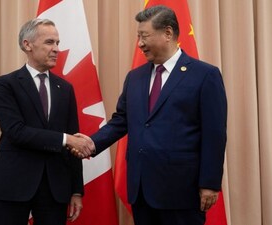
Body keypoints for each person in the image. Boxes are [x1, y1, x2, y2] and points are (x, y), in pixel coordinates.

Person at [75, 5, 227, 225]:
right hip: (142, 190)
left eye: (144, 36)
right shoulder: (135, 77)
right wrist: (91, 142)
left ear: (167, 33)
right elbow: (121, 121)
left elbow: (215, 134)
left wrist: (210, 183)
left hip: (181, 191)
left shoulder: (205, 75)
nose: (140, 44)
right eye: (138, 36)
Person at [0, 18, 91, 225]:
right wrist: (66, 139)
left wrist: (76, 190)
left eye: (57, 43)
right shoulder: (5, 85)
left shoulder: (65, 89)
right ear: (27, 45)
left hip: (54, 186)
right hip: (12, 182)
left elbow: (73, 140)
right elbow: (16, 131)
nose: (57, 49)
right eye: (50, 42)